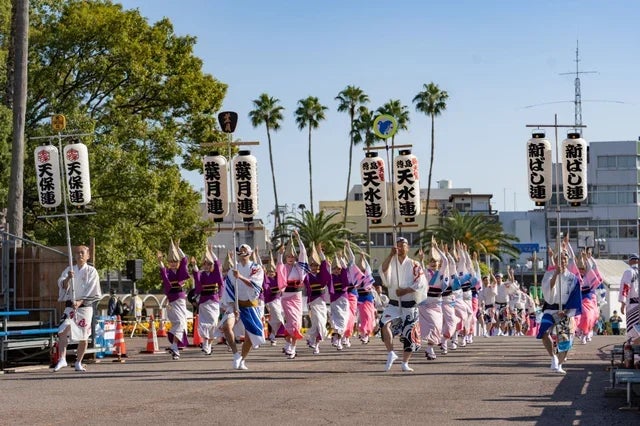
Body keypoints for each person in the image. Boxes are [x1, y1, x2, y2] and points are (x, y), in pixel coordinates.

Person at [379, 236, 427, 372]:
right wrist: (390, 255)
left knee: (410, 334)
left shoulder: (414, 264)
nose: (400, 247)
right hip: (394, 304)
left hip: (409, 304)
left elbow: (421, 283)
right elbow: (383, 272)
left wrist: (406, 290)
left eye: (403, 245)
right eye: (398, 245)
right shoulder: (391, 261)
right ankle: (391, 353)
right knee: (384, 323)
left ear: (408, 247)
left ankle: (405, 362)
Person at [53, 245, 102, 372]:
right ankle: (62, 358)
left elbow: (92, 289)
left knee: (84, 336)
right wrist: (68, 278)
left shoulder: (91, 271)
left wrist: (81, 301)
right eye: (77, 253)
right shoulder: (70, 269)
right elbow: (62, 285)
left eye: (82, 253)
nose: (79, 255)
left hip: (85, 307)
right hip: (71, 306)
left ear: (87, 255)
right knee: (62, 330)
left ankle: (78, 362)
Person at [537, 248, 582, 374]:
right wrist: (556, 274)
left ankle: (560, 364)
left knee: (565, 339)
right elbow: (548, 290)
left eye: (564, 258)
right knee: (544, 332)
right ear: (555, 260)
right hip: (551, 309)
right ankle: (553, 357)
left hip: (564, 311)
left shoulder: (573, 278)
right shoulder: (549, 274)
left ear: (567, 261)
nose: (562, 260)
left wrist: (567, 311)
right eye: (560, 258)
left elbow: (575, 297)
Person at [220, 243, 265, 370]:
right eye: (240, 250)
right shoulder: (233, 269)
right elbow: (229, 289)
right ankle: (235, 354)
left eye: (245, 250)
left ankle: (243, 359)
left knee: (249, 337)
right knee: (226, 327)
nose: (243, 251)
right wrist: (234, 306)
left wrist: (240, 277)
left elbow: (256, 285)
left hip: (250, 305)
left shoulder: (256, 268)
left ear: (250, 253)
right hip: (236, 305)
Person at [157, 239, 189, 360]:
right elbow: (163, 272)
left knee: (182, 323)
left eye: (175, 261)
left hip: (180, 299)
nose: (173, 264)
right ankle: (174, 345)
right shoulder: (168, 272)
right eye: (171, 262)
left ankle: (175, 347)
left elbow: (184, 259)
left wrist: (178, 248)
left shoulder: (180, 271)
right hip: (172, 300)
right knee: (179, 323)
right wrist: (160, 262)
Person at [278, 230, 308, 359]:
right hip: (286, 297)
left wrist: (298, 238)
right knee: (290, 322)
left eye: (292, 256)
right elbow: (278, 265)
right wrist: (279, 254)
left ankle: (293, 347)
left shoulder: (299, 267)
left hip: (296, 296)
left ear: (295, 257)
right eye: (288, 256)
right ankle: (289, 344)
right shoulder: (283, 267)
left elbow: (303, 253)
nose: (290, 258)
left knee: (296, 322)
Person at [191, 244, 224, 356]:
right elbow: (196, 277)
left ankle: (208, 345)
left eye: (209, 264)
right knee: (204, 324)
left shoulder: (215, 274)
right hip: (204, 302)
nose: (206, 266)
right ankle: (205, 344)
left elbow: (218, 264)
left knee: (213, 323)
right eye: (205, 264)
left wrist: (211, 251)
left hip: (214, 301)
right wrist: (194, 265)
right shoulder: (202, 275)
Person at [304, 243, 330, 354]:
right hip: (313, 301)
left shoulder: (321, 275)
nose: (314, 267)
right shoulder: (307, 275)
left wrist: (320, 253)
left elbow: (324, 265)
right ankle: (315, 344)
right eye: (312, 265)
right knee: (317, 322)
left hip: (321, 300)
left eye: (315, 265)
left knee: (321, 322)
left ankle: (315, 343)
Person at [619, 253, 640, 343]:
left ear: (630, 261)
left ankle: (635, 352)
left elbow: (626, 287)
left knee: (633, 330)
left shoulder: (629, 271)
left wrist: (623, 303)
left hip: (633, 306)